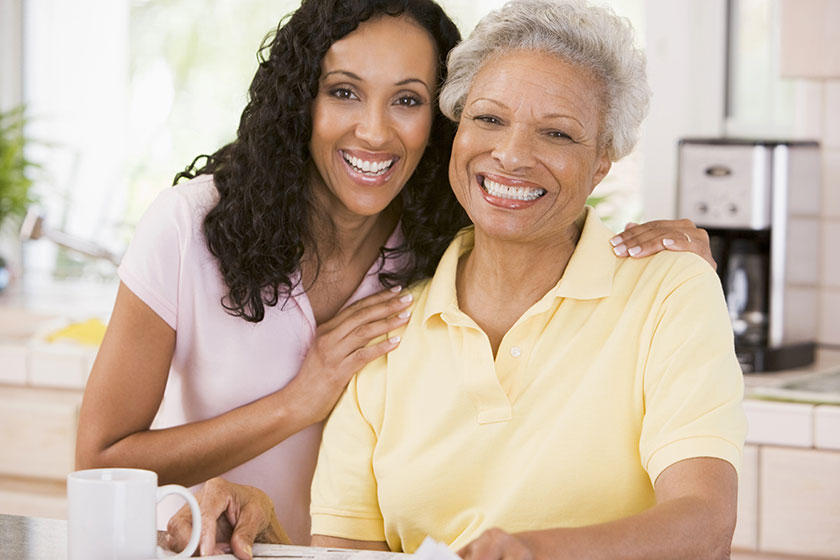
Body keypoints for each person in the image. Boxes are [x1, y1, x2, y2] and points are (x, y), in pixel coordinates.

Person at [77, 0, 717, 551]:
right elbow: (100, 462)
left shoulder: (432, 248)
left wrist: (681, 270)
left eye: (407, 99)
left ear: (440, 119)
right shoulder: (198, 231)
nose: (376, 130)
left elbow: (531, 196)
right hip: (220, 544)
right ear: (302, 98)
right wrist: (301, 400)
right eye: (344, 91)